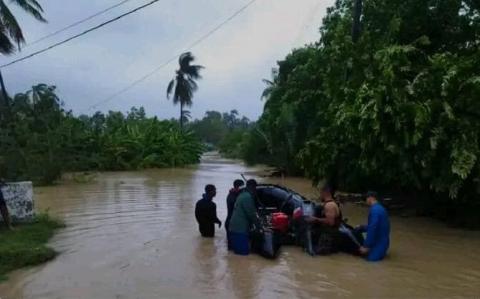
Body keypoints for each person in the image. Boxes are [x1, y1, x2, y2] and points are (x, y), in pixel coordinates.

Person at [229, 179, 260, 255]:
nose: (255, 190)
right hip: (240, 230)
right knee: (243, 255)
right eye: (255, 188)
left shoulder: (242, 194)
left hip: (234, 227)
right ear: (252, 187)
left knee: (237, 254)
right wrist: (258, 226)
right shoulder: (247, 197)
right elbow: (251, 214)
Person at [358, 191, 390, 261]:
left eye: (365, 198)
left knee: (370, 263)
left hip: (379, 244)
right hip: (383, 242)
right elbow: (379, 226)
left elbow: (373, 228)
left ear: (370, 198)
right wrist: (362, 227)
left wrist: (366, 246)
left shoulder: (374, 210)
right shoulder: (380, 208)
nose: (365, 201)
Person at [225, 179, 245, 250]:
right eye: (242, 187)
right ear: (238, 187)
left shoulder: (234, 194)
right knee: (232, 247)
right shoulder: (233, 197)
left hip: (231, 222)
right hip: (231, 223)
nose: (243, 189)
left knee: (232, 247)